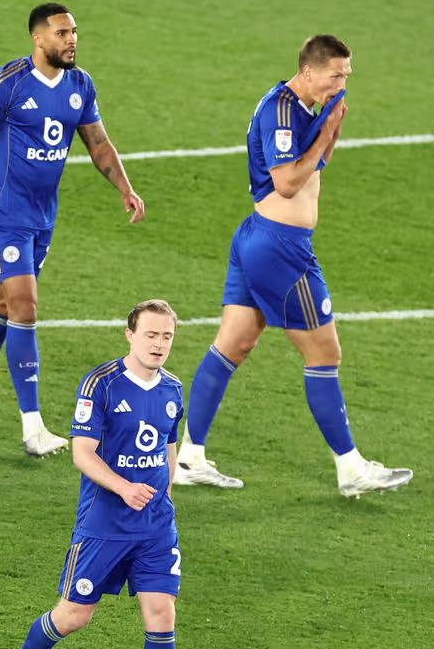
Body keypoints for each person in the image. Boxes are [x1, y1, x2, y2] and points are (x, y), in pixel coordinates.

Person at [174, 34, 413, 498]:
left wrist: (331, 128)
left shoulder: (305, 106)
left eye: (346, 75)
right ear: (308, 71)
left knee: (232, 345)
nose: (342, 84)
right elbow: (286, 183)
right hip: (281, 247)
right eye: (335, 76)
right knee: (324, 354)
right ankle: (351, 468)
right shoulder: (281, 111)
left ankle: (189, 457)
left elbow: (317, 164)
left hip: (259, 238)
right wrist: (325, 132)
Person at [0, 1, 146, 457]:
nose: (72, 40)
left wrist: (125, 188)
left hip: (42, 217)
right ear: (38, 38)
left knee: (1, 304)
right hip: (3, 214)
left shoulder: (80, 85)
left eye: (74, 32)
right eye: (62, 33)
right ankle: (33, 428)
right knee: (25, 308)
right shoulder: (5, 84)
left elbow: (99, 143)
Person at [0, 299, 186, 649]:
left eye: (166, 336)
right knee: (74, 615)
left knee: (162, 615)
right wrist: (124, 488)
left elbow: (168, 445)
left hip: (155, 527)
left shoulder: (173, 389)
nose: (159, 344)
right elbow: (82, 454)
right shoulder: (101, 384)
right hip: (104, 524)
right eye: (151, 335)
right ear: (130, 334)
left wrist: (166, 493)